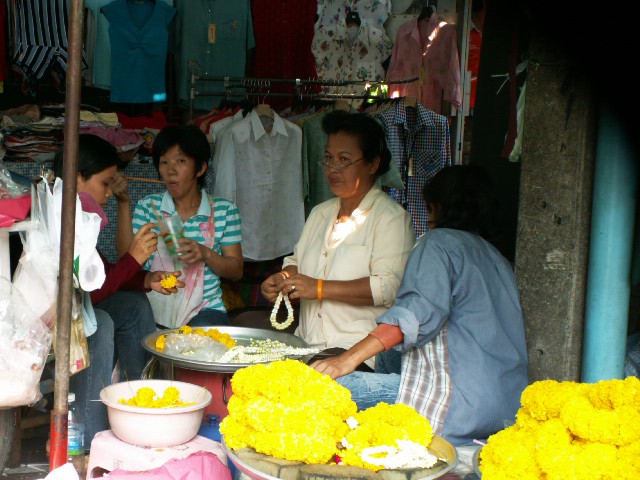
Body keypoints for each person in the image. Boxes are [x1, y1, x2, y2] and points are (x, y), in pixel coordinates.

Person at [312, 165, 529, 446]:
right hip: (506, 409)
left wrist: (346, 360)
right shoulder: (498, 259)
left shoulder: (439, 243)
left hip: (457, 409)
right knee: (389, 356)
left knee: (325, 387)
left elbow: (413, 316)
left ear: (438, 207)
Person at [53, 134, 183, 446]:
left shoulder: (80, 215)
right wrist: (134, 259)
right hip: (53, 320)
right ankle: (90, 435)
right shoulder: (59, 216)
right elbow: (90, 293)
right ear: (78, 177)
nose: (109, 193)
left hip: (77, 308)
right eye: (105, 183)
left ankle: (142, 404)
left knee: (133, 305)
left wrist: (145, 278)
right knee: (102, 323)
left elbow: (105, 277)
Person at [261, 110, 415, 371]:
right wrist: (284, 279)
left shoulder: (391, 218)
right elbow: (296, 262)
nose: (333, 169)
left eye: (344, 160)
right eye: (329, 159)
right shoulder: (320, 213)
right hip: (306, 345)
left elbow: (387, 287)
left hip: (355, 355)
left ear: (373, 163)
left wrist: (319, 288)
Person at [130, 125, 243, 328]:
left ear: (200, 168)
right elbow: (129, 262)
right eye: (164, 162)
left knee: (196, 349)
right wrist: (122, 205)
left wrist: (205, 253)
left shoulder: (224, 210)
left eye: (180, 161)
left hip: (205, 309)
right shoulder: (148, 207)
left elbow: (236, 271)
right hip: (152, 306)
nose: (170, 171)